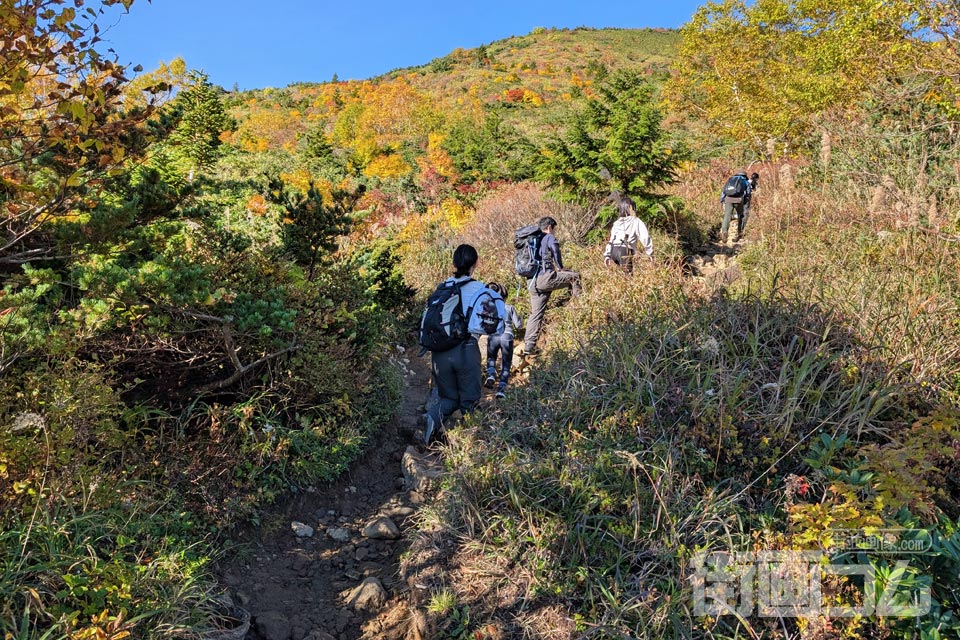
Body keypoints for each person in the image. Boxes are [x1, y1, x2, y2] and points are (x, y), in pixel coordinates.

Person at [424, 244, 505, 444]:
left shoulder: (443, 287)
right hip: (466, 350)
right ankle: (472, 446)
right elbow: (491, 326)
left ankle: (430, 431)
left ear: (454, 263)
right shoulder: (480, 289)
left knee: (448, 399)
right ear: (475, 263)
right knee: (469, 401)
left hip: (439, 353)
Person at [523, 216, 581, 356]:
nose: (554, 232)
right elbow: (555, 249)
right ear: (549, 227)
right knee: (575, 276)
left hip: (531, 281)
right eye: (554, 229)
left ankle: (529, 346)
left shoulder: (532, 240)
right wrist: (560, 267)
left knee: (536, 314)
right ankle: (578, 305)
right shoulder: (548, 237)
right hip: (545, 278)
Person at [484, 282, 522, 399]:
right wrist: (520, 318)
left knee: (491, 357)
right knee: (506, 363)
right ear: (505, 296)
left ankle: (490, 374)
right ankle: (501, 389)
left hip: (493, 336)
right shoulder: (510, 307)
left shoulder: (490, 308)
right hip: (507, 336)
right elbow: (518, 325)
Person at [603, 195, 654, 273]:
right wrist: (650, 254)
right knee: (629, 278)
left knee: (622, 275)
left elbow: (611, 240)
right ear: (632, 208)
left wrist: (607, 256)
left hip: (613, 251)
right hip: (624, 251)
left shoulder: (616, 223)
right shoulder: (636, 221)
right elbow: (645, 237)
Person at [720, 171, 753, 245]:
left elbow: (723, 191)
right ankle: (739, 232)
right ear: (745, 176)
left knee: (727, 216)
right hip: (739, 200)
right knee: (741, 215)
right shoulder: (744, 181)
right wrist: (746, 203)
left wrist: (722, 200)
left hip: (728, 199)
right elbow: (748, 193)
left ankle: (724, 231)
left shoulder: (730, 179)